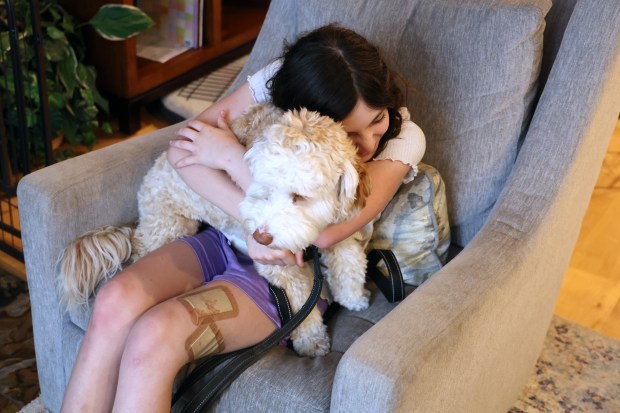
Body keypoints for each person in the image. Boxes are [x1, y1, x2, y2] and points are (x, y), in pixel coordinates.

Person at [60, 24, 425, 413]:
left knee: (153, 336)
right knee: (116, 299)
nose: (368, 144)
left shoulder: (406, 139)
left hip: (298, 273)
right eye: (348, 133)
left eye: (375, 121)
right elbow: (182, 152)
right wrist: (250, 222)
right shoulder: (280, 80)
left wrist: (229, 156)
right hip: (225, 236)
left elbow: (325, 235)